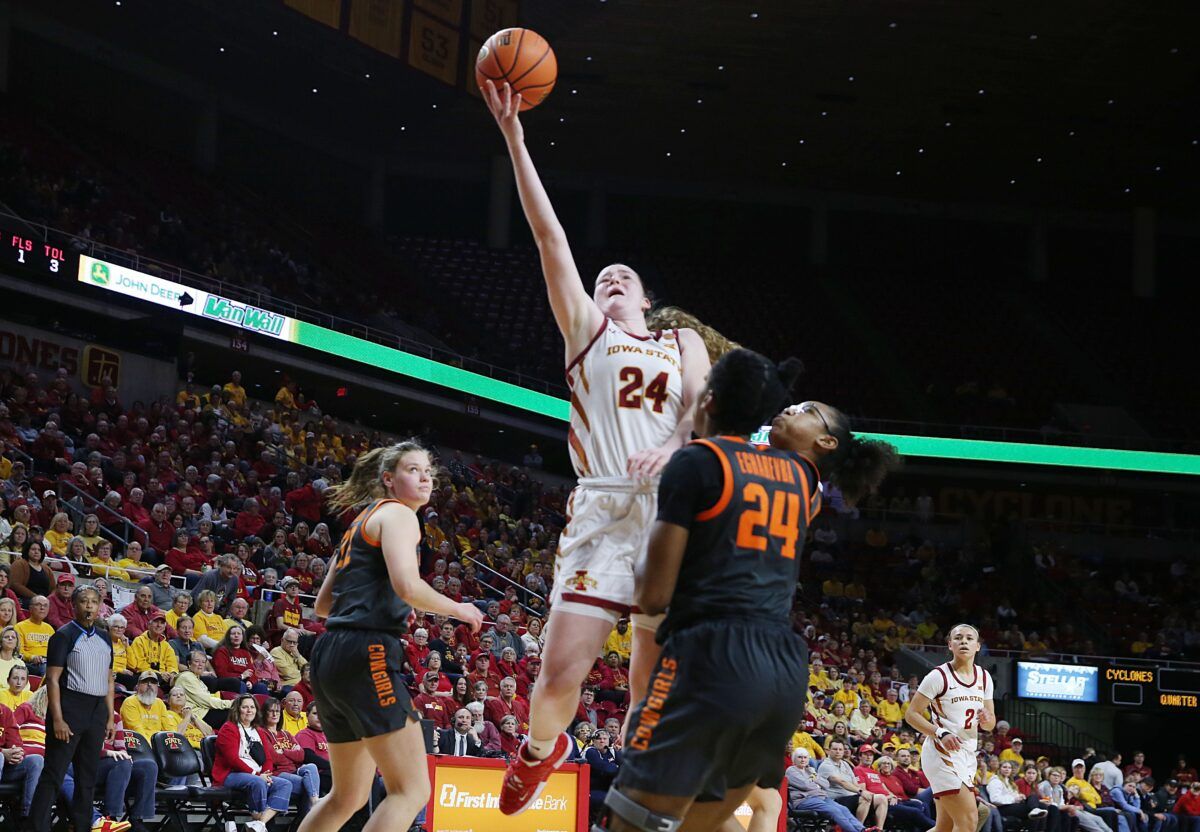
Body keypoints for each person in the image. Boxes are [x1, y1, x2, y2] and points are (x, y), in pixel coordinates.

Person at [481, 81, 713, 816]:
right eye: (603, 276)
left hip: (672, 517)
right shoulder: (587, 331)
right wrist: (516, 139)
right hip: (606, 509)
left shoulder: (681, 342)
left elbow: (703, 410)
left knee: (652, 690)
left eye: (626, 278)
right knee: (557, 679)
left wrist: (676, 443)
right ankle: (542, 747)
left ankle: (653, 804)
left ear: (646, 301)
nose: (610, 278)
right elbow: (551, 236)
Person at [604, 348, 898, 832]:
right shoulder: (807, 485)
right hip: (781, 671)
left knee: (631, 820)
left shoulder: (703, 460)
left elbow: (654, 596)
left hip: (712, 653)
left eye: (806, 411)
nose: (790, 408)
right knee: (702, 823)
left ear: (826, 441)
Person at [295, 442, 483, 832]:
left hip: (329, 654)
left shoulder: (361, 521)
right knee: (411, 790)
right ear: (388, 479)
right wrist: (460, 609)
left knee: (347, 797)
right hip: (368, 653)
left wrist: (382, 600)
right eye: (413, 469)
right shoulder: (399, 515)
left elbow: (325, 605)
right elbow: (407, 585)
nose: (426, 476)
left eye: (428, 469)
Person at [28, 584, 117, 832]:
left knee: (87, 777)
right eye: (83, 601)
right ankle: (35, 827)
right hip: (70, 707)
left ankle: (81, 826)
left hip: (97, 710)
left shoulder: (104, 637)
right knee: (54, 774)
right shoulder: (63, 635)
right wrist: (57, 718)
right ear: (73, 605)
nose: (89, 606)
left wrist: (110, 717)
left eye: (93, 601)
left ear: (100, 606)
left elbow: (109, 679)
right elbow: (53, 680)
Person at [905, 624, 998, 832]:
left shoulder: (984, 677)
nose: (963, 641)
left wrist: (986, 718)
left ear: (977, 646)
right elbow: (911, 715)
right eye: (958, 638)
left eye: (969, 638)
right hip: (941, 753)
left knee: (944, 827)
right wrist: (940, 732)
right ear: (950, 645)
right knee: (969, 821)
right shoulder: (938, 676)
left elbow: (990, 724)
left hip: (966, 754)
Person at [213, 695, 293, 832]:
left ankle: (259, 824)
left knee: (285, 784)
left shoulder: (259, 730)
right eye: (245, 707)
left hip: (257, 774)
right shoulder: (229, 728)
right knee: (258, 782)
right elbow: (232, 759)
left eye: (252, 707)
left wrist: (265, 773)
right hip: (231, 774)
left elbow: (268, 759)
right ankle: (259, 821)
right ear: (237, 710)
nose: (249, 710)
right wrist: (256, 774)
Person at [259, 698, 321, 818]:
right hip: (278, 774)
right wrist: (292, 753)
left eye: (277, 711)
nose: (274, 714)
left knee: (311, 767)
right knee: (307, 784)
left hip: (294, 771)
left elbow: (301, 755)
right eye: (270, 711)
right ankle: (309, 819)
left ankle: (314, 802)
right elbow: (274, 757)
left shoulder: (286, 734)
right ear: (264, 713)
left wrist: (283, 751)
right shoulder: (262, 732)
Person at [788, 746, 874, 832]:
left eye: (805, 757)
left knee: (843, 809)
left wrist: (815, 780)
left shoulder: (810, 769)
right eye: (800, 757)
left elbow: (826, 785)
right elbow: (805, 785)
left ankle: (862, 829)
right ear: (794, 759)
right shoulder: (791, 771)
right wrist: (816, 783)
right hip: (804, 800)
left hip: (820, 797)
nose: (803, 760)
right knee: (834, 810)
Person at [15, 595, 54, 676]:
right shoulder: (20, 627)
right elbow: (18, 651)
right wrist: (31, 657)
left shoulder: (49, 628)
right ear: (30, 608)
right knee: (47, 669)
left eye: (45, 605)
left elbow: (55, 650)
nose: (42, 608)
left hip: (48, 662)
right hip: (29, 663)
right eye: (38, 604)